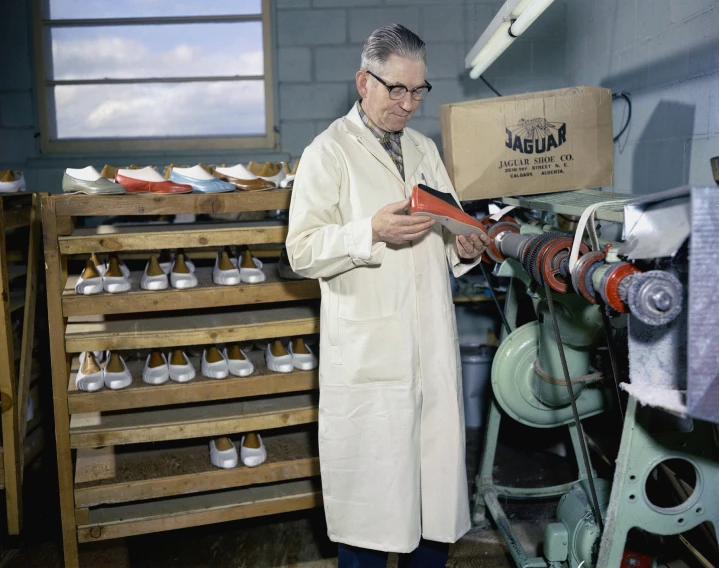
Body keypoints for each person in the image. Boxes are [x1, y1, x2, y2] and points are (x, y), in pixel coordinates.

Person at [285, 24, 490, 568]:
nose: (408, 103)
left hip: (430, 348)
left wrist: (464, 243)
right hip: (371, 355)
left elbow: (446, 239)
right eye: (396, 89)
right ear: (363, 82)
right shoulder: (327, 152)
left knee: (432, 505)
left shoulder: (424, 149)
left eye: (418, 90)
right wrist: (368, 232)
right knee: (374, 510)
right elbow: (300, 252)